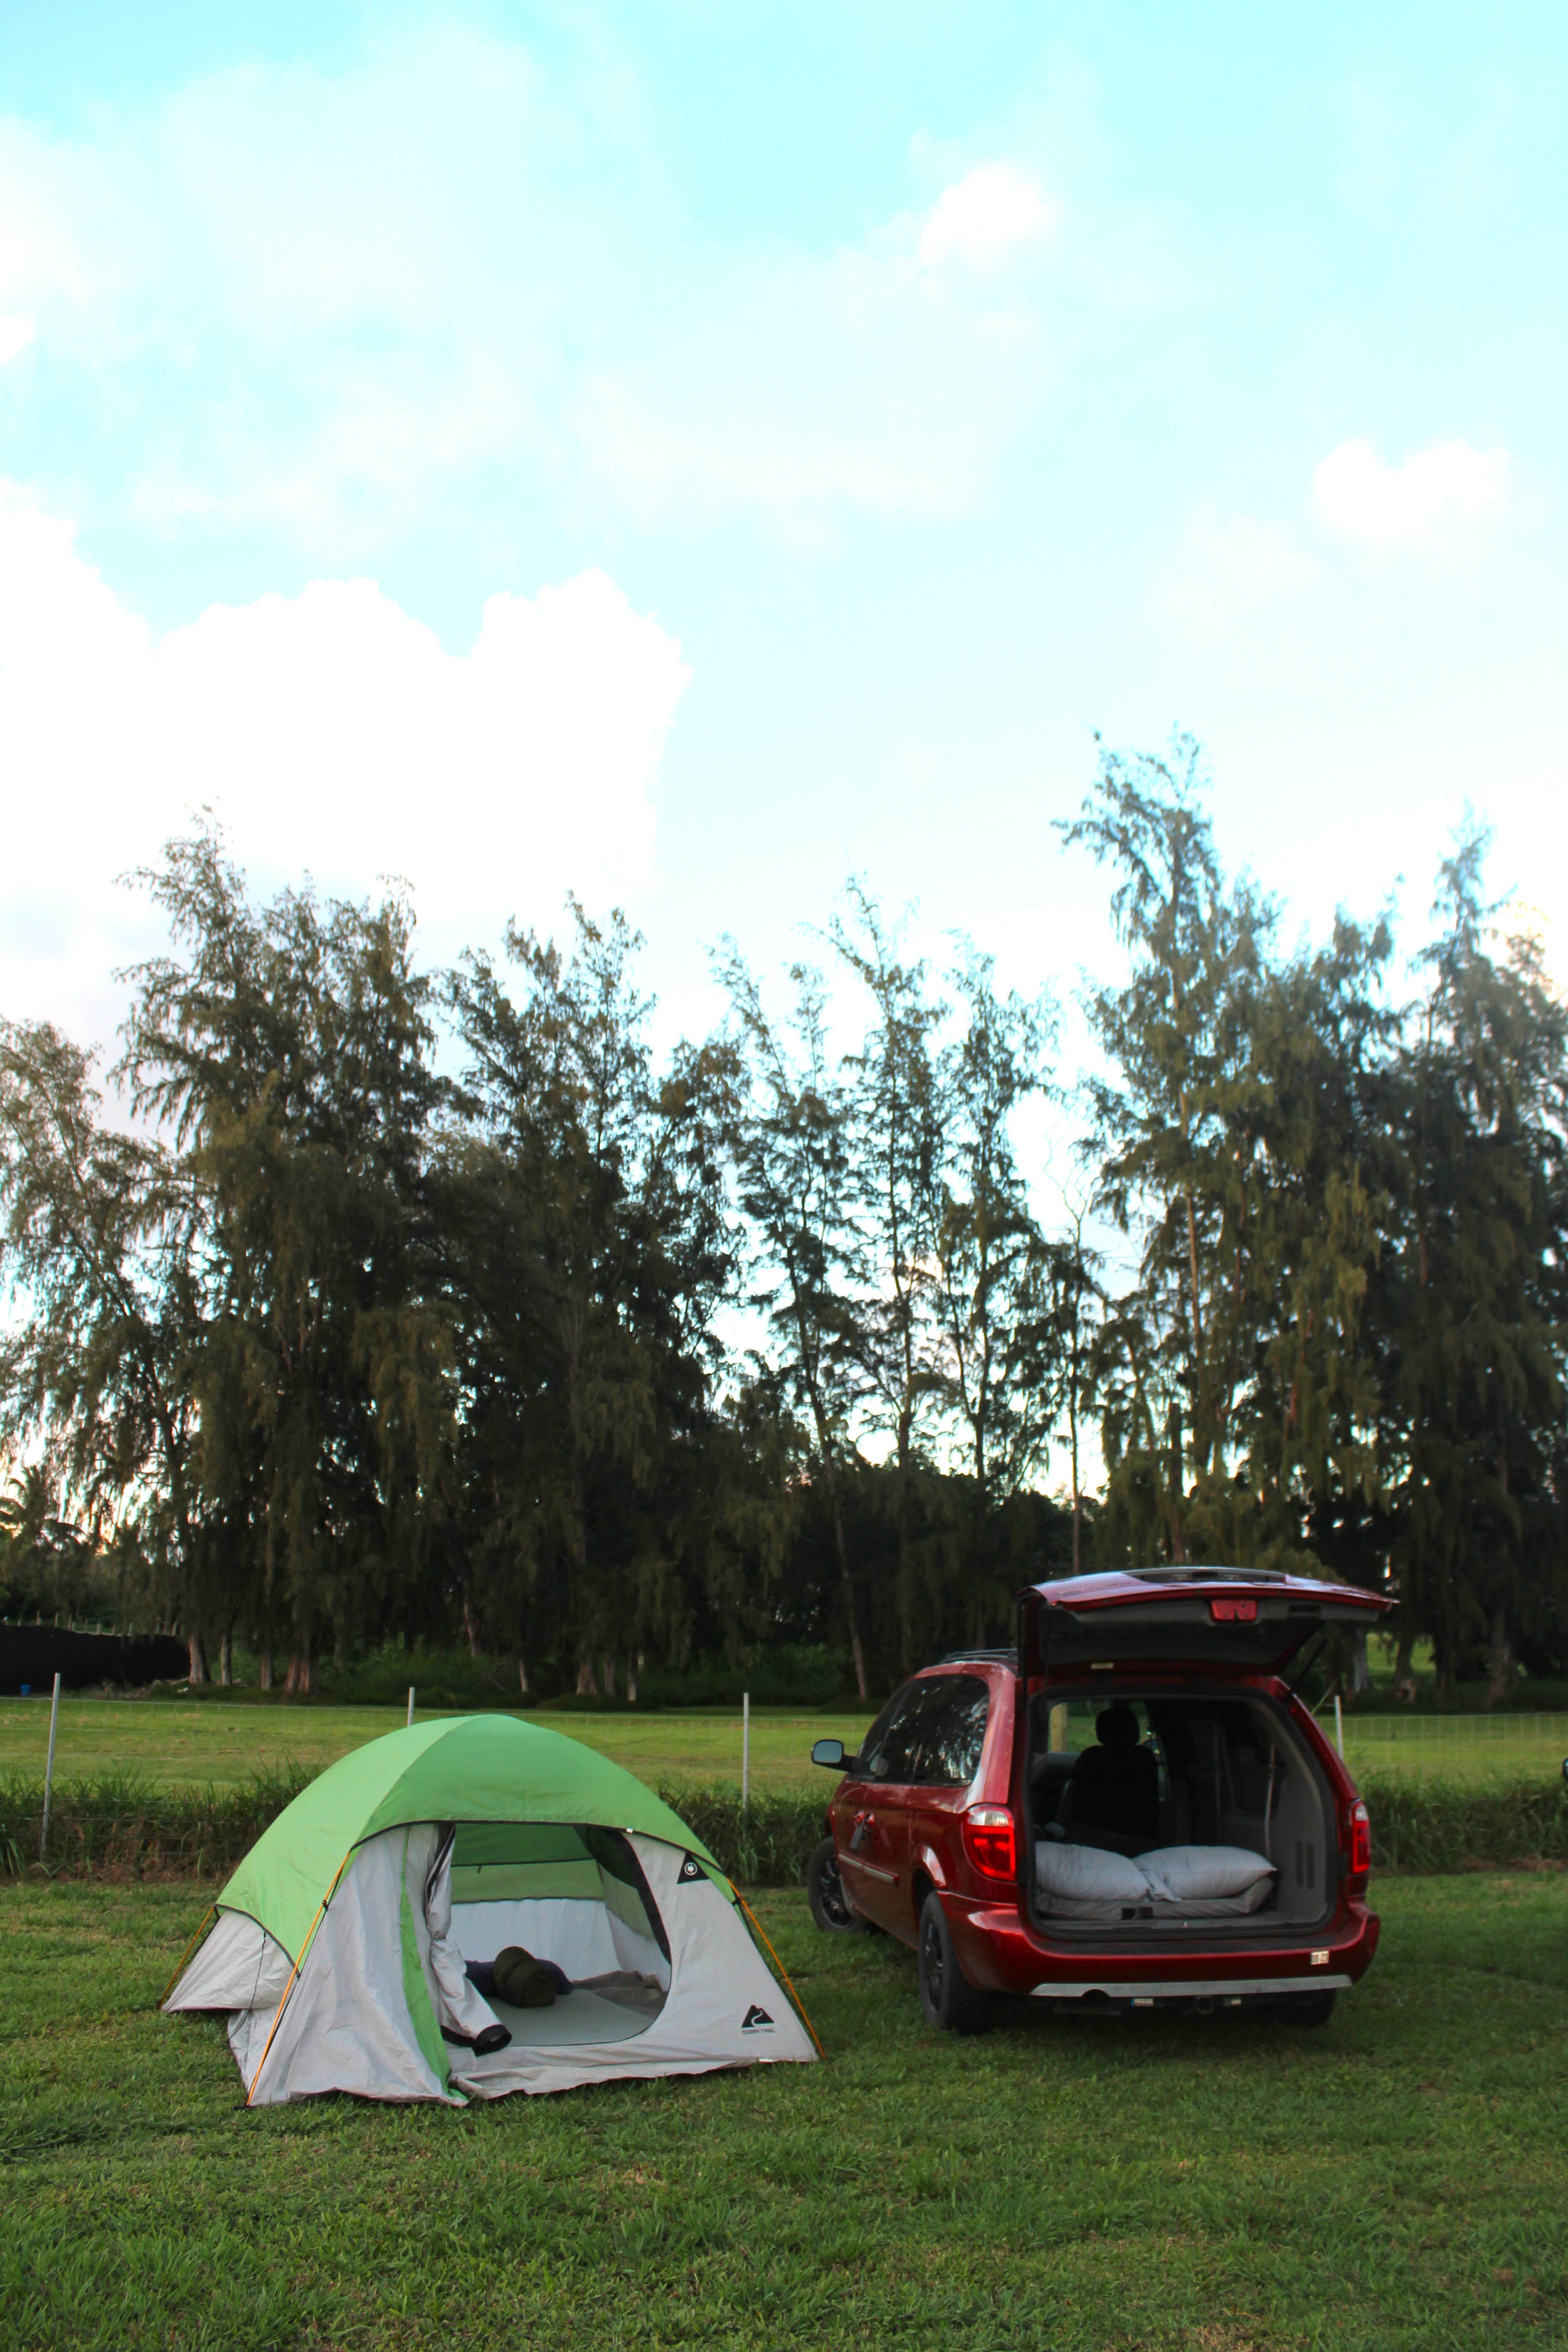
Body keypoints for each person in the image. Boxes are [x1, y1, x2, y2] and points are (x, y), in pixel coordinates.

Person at [1066, 1702, 1159, 1848]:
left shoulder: (1092, 1757)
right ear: (1134, 1731)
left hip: (1089, 1838)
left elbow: (1070, 1796)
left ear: (1101, 1732)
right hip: (1138, 1839)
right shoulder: (1145, 1758)